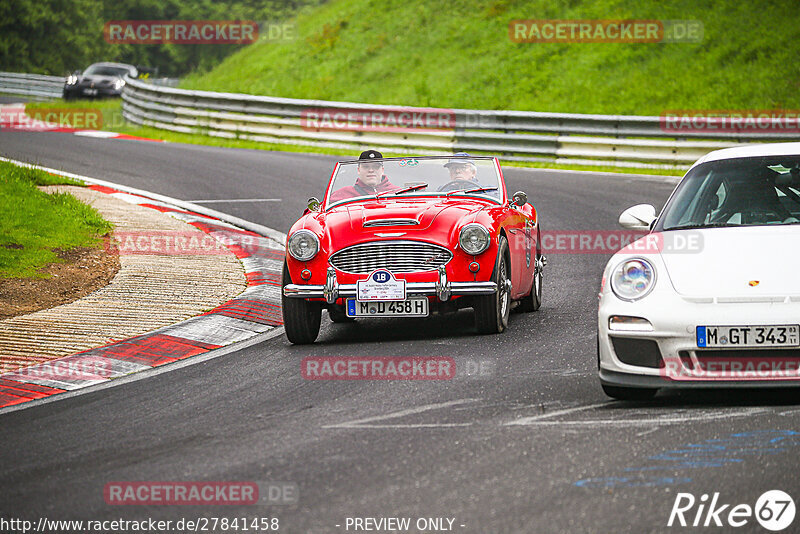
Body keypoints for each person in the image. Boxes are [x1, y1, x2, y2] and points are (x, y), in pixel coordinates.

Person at [329, 150, 398, 203]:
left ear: (382, 170)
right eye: (366, 167)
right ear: (358, 170)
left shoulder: (397, 193)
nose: (371, 170)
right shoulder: (341, 195)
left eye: (376, 167)